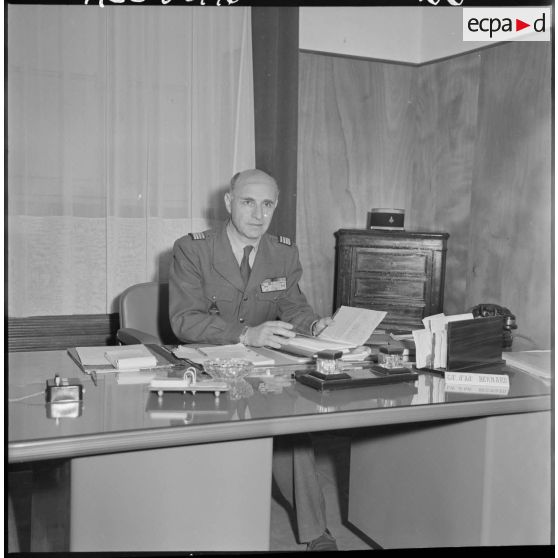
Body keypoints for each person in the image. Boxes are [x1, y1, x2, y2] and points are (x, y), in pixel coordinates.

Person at [169, 169, 338, 551]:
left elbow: (292, 304)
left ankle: (316, 533)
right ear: (229, 203)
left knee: (291, 427)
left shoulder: (282, 251)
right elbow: (184, 321)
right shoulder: (193, 249)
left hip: (262, 366)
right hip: (207, 362)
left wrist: (314, 324)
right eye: (248, 202)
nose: (258, 214)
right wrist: (245, 334)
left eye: (267, 204)